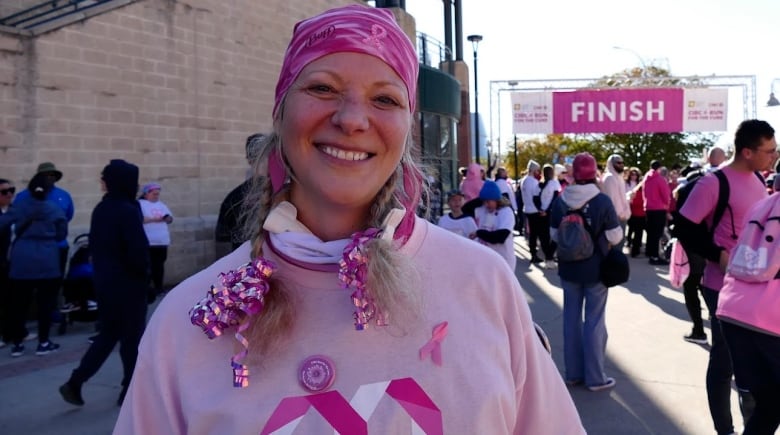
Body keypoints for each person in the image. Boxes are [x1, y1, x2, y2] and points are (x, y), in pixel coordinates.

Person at [113, 6, 584, 434]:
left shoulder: (484, 284)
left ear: (408, 127)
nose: (353, 118)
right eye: (322, 88)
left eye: (385, 99)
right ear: (280, 112)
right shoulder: (187, 319)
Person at [678, 119, 777, 435]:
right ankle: (726, 429)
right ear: (748, 151)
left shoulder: (760, 182)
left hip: (760, 293)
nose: (774, 156)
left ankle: (753, 425)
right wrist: (717, 254)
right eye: (769, 150)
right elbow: (684, 227)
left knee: (755, 377)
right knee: (724, 365)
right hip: (723, 287)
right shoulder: (713, 183)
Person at [59, 159, 150, 407]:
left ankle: (76, 381)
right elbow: (137, 252)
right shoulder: (128, 210)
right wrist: (147, 281)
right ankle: (129, 389)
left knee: (108, 335)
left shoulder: (104, 208)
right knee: (132, 339)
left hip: (106, 284)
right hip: (129, 285)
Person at [550, 152, 623, 392]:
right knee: (594, 321)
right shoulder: (601, 201)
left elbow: (553, 236)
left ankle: (572, 374)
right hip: (596, 269)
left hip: (568, 268)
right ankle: (595, 378)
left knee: (570, 319)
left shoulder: (561, 200)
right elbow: (615, 235)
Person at [717, 191, 780, 434]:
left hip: (735, 308)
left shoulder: (762, 205)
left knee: (769, 404)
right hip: (770, 317)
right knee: (769, 404)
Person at [0, 173, 67, 357]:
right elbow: (61, 233)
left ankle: (17, 344)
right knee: (45, 303)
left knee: (18, 303)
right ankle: (43, 342)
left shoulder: (19, 207)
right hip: (48, 257)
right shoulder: (54, 209)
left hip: (22, 258)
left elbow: (3, 223)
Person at [14, 162, 74, 279]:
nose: (50, 178)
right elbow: (15, 218)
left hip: (57, 246)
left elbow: (68, 217)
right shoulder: (23, 196)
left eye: (52, 175)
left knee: (53, 283)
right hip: (28, 248)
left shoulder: (64, 195)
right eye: (46, 175)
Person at [215, 133, 267, 257]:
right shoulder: (290, 193)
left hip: (244, 269)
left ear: (249, 160)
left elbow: (222, 241)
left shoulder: (233, 197)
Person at [470, 180, 517, 270]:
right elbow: (465, 209)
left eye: (489, 201)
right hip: (486, 260)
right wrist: (481, 197)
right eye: (484, 202)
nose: (486, 205)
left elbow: (500, 237)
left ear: (496, 199)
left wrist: (479, 233)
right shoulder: (483, 210)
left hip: (503, 260)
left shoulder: (506, 212)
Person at [139, 182, 174, 300]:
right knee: (147, 267)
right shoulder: (140, 204)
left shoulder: (161, 204)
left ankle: (159, 288)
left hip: (162, 241)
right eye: (154, 194)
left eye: (157, 194)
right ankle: (146, 291)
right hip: (148, 242)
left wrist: (167, 218)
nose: (156, 196)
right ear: (146, 194)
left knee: (159, 266)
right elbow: (140, 219)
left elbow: (169, 218)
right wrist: (156, 219)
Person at [643, 160, 671, 265]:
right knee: (657, 234)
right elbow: (665, 195)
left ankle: (650, 253)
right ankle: (655, 256)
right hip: (659, 209)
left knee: (651, 233)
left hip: (649, 208)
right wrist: (666, 204)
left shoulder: (646, 178)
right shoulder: (660, 179)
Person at [601, 154, 630, 250]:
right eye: (618, 163)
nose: (621, 165)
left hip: (621, 216)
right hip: (615, 217)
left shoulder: (618, 177)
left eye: (622, 162)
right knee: (615, 247)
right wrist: (619, 214)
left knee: (619, 245)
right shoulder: (609, 178)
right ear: (611, 164)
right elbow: (611, 199)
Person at [537, 164, 561, 269]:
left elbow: (536, 198)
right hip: (550, 212)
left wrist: (540, 209)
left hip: (541, 212)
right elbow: (555, 198)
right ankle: (549, 257)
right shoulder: (554, 183)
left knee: (544, 236)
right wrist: (546, 210)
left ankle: (548, 257)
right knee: (554, 235)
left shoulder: (540, 184)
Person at [520, 160, 544, 264]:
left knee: (532, 234)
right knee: (535, 233)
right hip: (534, 210)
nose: (538, 173)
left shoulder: (524, 180)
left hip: (527, 209)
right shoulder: (533, 182)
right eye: (537, 171)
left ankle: (533, 252)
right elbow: (537, 197)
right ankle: (534, 254)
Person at [0, 178, 14, 347]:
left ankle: (13, 332)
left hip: (14, 263)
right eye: (4, 192)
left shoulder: (15, 211)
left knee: (12, 299)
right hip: (1, 262)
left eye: (11, 190)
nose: (9, 194)